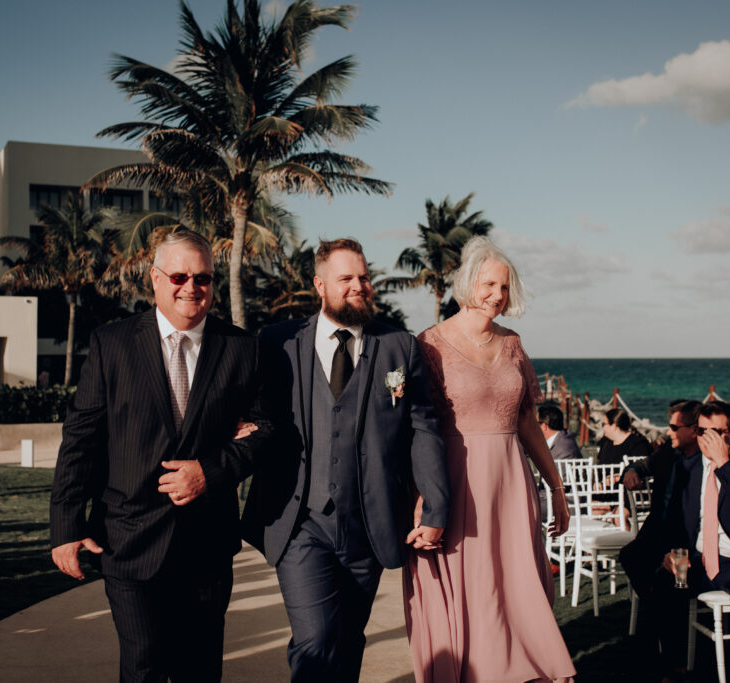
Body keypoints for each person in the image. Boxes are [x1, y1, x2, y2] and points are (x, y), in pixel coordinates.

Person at [50, 230, 270, 682]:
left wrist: (210, 471)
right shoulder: (112, 344)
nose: (192, 286)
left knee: (201, 670)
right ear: (155, 278)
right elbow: (81, 440)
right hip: (128, 538)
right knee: (143, 665)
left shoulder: (243, 349)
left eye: (204, 278)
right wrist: (66, 526)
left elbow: (266, 431)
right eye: (179, 275)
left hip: (207, 542)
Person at [242, 238, 449, 682]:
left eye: (363, 277)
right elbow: (245, 401)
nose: (359, 286)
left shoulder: (399, 347)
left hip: (369, 524)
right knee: (315, 639)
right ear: (320, 285)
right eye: (346, 278)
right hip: (300, 521)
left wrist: (434, 504)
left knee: (349, 638)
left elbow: (424, 428)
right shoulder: (277, 342)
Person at [402, 236, 575, 682]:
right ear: (467, 282)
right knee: (470, 584)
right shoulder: (430, 344)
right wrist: (422, 494)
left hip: (510, 484)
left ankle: (524, 669)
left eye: (505, 287)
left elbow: (529, 422)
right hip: (455, 483)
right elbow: (415, 426)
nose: (498, 295)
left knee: (515, 585)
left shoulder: (514, 344)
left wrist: (556, 489)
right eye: (490, 284)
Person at [649, 400, 730, 681]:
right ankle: (675, 665)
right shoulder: (687, 467)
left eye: (714, 432)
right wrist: (669, 553)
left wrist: (724, 464)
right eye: (702, 431)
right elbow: (673, 520)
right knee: (664, 581)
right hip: (695, 559)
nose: (706, 438)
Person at [619, 400, 701, 606]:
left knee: (675, 579)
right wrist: (631, 471)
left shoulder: (706, 462)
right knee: (630, 555)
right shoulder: (668, 452)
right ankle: (653, 602)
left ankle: (673, 613)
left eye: (674, 427)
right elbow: (644, 464)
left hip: (687, 537)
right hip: (658, 529)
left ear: (694, 430)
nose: (669, 432)